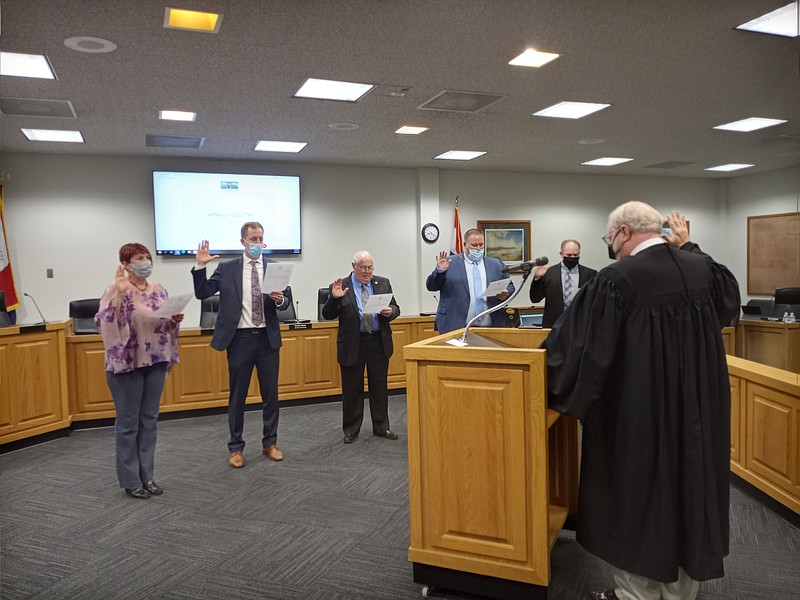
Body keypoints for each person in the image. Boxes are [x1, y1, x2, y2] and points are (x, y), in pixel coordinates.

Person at [542, 203, 740, 600]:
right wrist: (690, 246)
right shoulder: (701, 268)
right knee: (689, 493)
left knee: (637, 499)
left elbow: (579, 350)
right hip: (698, 417)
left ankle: (637, 594)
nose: (611, 247)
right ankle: (681, 594)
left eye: (609, 239)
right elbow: (728, 306)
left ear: (623, 233)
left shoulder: (616, 279)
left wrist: (547, 376)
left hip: (639, 416)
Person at [192, 222, 290, 468]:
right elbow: (203, 292)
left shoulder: (274, 268)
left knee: (271, 395)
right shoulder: (227, 269)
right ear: (243, 242)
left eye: (261, 239)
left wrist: (280, 300)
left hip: (267, 340)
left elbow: (285, 302)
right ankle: (235, 447)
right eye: (253, 239)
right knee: (238, 397)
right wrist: (200, 265)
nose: (258, 243)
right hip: (240, 340)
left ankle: (270, 443)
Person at [95, 243, 183, 499]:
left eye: (147, 257)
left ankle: (148, 476)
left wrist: (173, 320)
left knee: (149, 421)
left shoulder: (159, 290)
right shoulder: (116, 289)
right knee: (128, 423)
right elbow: (104, 323)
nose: (145, 262)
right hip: (127, 365)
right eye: (138, 258)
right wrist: (119, 295)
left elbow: (161, 323)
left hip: (154, 361)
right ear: (126, 264)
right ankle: (131, 479)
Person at [322, 251, 401, 443]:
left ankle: (382, 427)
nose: (367, 272)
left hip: (378, 342)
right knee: (352, 389)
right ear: (353, 266)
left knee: (379, 387)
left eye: (370, 267)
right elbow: (327, 314)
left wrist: (390, 312)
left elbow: (396, 308)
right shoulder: (342, 286)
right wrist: (334, 298)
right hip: (353, 343)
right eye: (363, 268)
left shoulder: (382, 282)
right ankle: (351, 430)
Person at [425, 228, 514, 333]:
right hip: (455, 326)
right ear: (465, 244)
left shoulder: (496, 264)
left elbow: (510, 286)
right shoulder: (449, 262)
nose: (478, 248)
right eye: (474, 245)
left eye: (481, 245)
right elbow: (431, 286)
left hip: (491, 326)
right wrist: (440, 271)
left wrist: (506, 293)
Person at [528, 239, 597, 328]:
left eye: (575, 255)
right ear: (561, 254)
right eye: (568, 255)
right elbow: (535, 299)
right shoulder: (549, 273)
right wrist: (537, 278)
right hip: (553, 325)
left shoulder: (590, 274)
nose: (572, 257)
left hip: (581, 325)